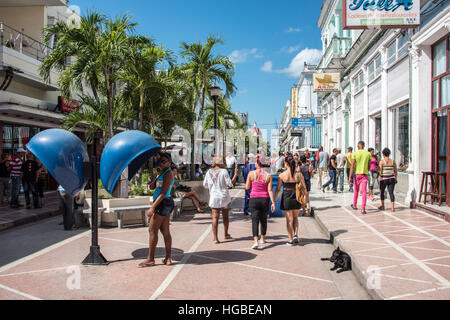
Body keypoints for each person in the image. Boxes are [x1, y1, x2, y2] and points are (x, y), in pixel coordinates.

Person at [139, 152, 175, 267]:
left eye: (164, 161)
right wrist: (155, 175)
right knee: (165, 231)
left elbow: (164, 192)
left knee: (152, 230)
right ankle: (168, 258)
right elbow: (151, 187)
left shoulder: (168, 174)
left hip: (163, 203)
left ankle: (151, 259)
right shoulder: (162, 173)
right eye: (160, 161)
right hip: (163, 203)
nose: (161, 163)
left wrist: (152, 207)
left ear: (169, 162)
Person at [203, 156, 239, 244]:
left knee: (215, 217)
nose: (225, 163)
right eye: (224, 161)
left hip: (214, 197)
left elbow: (205, 185)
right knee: (225, 216)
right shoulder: (224, 171)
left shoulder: (209, 172)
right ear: (220, 162)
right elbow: (229, 184)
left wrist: (212, 187)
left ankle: (215, 238)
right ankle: (226, 234)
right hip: (224, 197)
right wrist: (235, 175)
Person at [275, 155, 306, 246]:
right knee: (296, 217)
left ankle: (290, 239)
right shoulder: (298, 174)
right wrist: (305, 200)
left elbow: (277, 189)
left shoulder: (282, 175)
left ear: (286, 163)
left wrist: (274, 199)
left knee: (289, 219)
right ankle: (296, 235)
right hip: (296, 196)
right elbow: (304, 187)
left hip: (287, 196)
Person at [245, 156, 276, 249]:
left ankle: (255, 241)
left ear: (258, 164)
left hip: (254, 199)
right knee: (263, 219)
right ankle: (262, 238)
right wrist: (273, 202)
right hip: (264, 199)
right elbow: (270, 190)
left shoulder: (251, 174)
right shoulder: (268, 175)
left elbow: (247, 187)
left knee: (255, 220)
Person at [349, 141, 372, 215]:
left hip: (357, 174)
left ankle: (355, 205)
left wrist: (350, 176)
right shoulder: (368, 154)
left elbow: (352, 165)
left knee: (356, 190)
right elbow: (369, 165)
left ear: (358, 146)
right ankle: (363, 208)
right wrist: (366, 169)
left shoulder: (355, 153)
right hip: (364, 174)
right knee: (364, 191)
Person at [378, 148, 398, 212]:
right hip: (392, 179)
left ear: (383, 154)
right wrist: (395, 178)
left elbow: (380, 171)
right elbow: (395, 171)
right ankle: (392, 208)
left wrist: (378, 171)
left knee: (382, 192)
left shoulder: (382, 162)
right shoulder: (392, 161)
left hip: (384, 179)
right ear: (389, 154)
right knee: (391, 193)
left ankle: (383, 205)